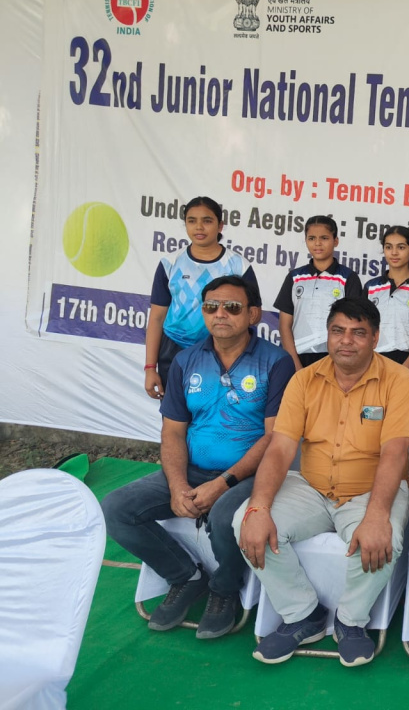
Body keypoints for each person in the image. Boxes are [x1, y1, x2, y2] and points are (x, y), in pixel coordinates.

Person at [234, 298, 409, 667]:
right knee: (247, 522)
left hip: (370, 490)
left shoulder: (400, 380)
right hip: (312, 487)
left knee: (383, 538)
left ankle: (351, 621)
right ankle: (303, 614)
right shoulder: (304, 379)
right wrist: (258, 507)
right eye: (338, 331)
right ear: (327, 334)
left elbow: (395, 453)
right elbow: (280, 449)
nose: (346, 340)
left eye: (358, 333)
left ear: (375, 338)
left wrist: (376, 515)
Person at [105, 275, 294, 639]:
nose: (220, 314)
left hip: (248, 475)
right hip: (191, 470)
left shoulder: (276, 362)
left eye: (232, 307)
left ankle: (225, 589)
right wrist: (178, 485)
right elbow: (173, 432)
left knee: (224, 517)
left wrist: (222, 484)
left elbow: (274, 437)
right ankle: (185, 576)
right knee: (116, 509)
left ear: (253, 314)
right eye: (211, 307)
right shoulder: (185, 360)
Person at [144, 196, 259, 400]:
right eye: (192, 221)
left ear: (220, 225)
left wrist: (227, 325)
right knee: (175, 413)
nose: (199, 227)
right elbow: (156, 318)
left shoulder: (238, 265)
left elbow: (254, 315)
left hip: (225, 350)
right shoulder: (170, 263)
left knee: (220, 411)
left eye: (207, 221)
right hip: (174, 349)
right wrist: (150, 368)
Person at [363, 225, 409, 511]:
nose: (394, 252)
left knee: (407, 440)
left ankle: (408, 507)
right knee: (370, 431)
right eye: (389, 246)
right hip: (373, 368)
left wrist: (403, 371)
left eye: (401, 247)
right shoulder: (371, 287)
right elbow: (363, 331)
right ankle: (368, 498)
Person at [275, 215, 362, 370]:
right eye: (311, 238)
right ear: (306, 240)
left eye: (324, 238)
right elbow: (284, 325)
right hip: (299, 357)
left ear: (336, 241)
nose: (317, 243)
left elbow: (353, 324)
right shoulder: (295, 277)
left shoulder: (348, 277)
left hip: (335, 358)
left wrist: (339, 363)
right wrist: (295, 365)